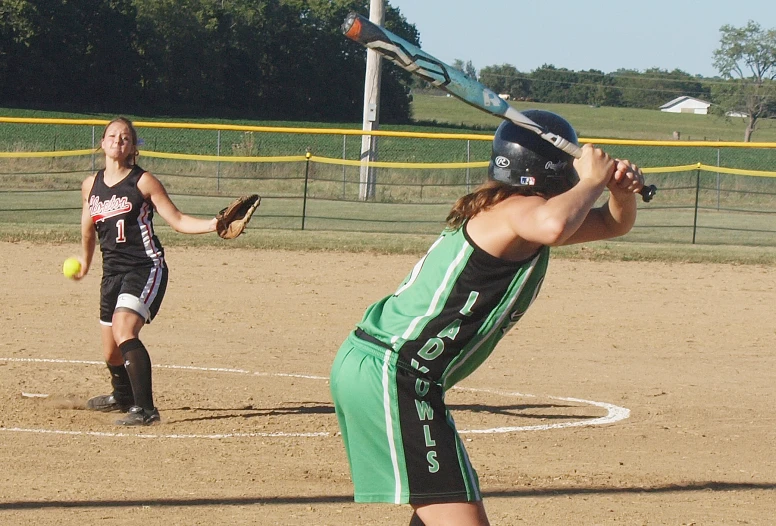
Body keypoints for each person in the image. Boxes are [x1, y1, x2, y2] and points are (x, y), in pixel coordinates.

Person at [329, 110, 646, 526]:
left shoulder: (514, 212)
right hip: (396, 373)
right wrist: (590, 180)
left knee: (445, 508)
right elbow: (554, 225)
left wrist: (619, 191)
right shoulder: (518, 210)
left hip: (394, 370)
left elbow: (610, 225)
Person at [71, 117, 219, 426]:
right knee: (112, 353)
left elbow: (177, 219)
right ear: (102, 142)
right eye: (113, 135)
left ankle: (146, 410)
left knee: (125, 331)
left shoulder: (143, 181)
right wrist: (85, 263)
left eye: (126, 137)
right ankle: (122, 397)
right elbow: (88, 231)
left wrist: (213, 225)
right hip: (111, 274)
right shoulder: (91, 185)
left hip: (144, 267)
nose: (118, 140)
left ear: (133, 147)